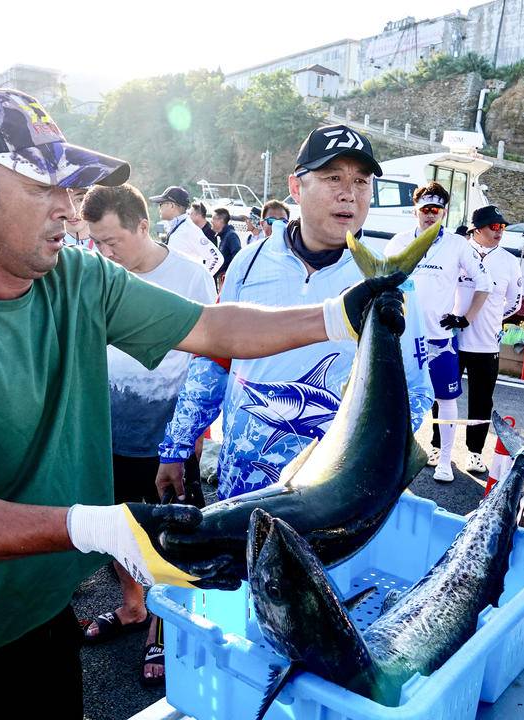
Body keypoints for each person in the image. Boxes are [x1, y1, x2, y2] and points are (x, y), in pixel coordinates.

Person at [0, 90, 402, 719]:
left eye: (70, 187)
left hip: (49, 612)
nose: (68, 209)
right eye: (42, 186)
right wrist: (96, 526)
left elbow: (212, 329)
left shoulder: (77, 277)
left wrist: (336, 316)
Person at [156, 124, 433, 503]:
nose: (349, 195)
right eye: (332, 177)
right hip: (239, 485)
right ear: (296, 187)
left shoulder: (393, 286)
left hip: (330, 494)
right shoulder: (248, 262)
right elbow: (216, 358)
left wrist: (373, 464)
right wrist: (178, 443)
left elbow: (415, 391)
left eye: (361, 182)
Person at [78, 182, 216, 684]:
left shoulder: (191, 276)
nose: (104, 251)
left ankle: (161, 627)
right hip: (104, 429)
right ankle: (133, 607)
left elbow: (209, 357)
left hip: (166, 438)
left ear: (143, 225)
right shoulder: (95, 274)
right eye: (95, 241)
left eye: (112, 240)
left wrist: (191, 437)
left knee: (166, 538)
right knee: (117, 528)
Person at [385, 183, 492, 482]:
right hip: (402, 338)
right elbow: (381, 281)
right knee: (397, 399)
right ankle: (394, 460)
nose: (430, 216)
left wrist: (464, 318)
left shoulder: (458, 245)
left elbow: (484, 285)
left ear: (444, 212)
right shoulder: (399, 241)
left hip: (439, 340)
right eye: (425, 210)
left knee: (446, 401)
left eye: (437, 210)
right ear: (415, 210)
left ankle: (445, 461)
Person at [450, 205, 522, 475]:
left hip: (486, 343)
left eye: (502, 227)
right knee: (442, 397)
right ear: (476, 229)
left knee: (481, 402)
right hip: (451, 340)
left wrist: (491, 318)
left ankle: (474, 452)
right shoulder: (456, 252)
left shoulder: (508, 260)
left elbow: (514, 302)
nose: (500, 231)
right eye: (494, 226)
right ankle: (437, 446)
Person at [151, 185, 222, 275]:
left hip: (184, 288)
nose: (159, 207)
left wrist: (198, 282)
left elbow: (216, 258)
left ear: (171, 205)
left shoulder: (189, 230)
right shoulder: (178, 227)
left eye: (161, 204)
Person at [212, 207, 242, 277]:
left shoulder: (231, 236)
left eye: (213, 218)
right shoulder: (222, 236)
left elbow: (237, 257)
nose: (211, 221)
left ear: (221, 221)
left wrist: (228, 273)